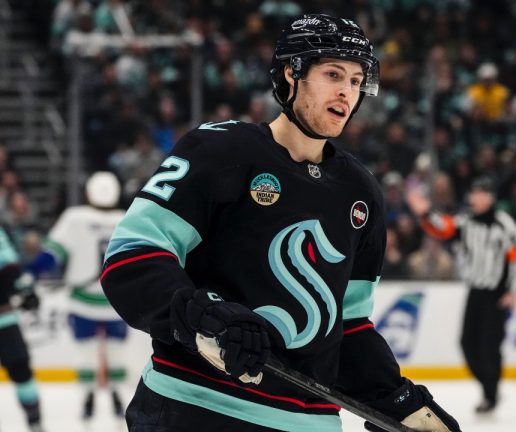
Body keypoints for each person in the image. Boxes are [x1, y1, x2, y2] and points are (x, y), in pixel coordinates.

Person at [100, 14, 461, 432]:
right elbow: (132, 257)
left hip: (309, 424)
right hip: (194, 409)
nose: (347, 91)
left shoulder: (361, 193)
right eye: (333, 74)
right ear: (291, 73)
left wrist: (397, 400)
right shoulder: (220, 150)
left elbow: (348, 327)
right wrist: (204, 317)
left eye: (357, 80)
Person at [407, 175, 516, 415]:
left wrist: (514, 292)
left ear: (491, 198)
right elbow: (444, 228)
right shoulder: (467, 222)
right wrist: (424, 213)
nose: (478, 198)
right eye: (475, 193)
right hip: (475, 291)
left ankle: (490, 394)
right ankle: (488, 387)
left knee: (489, 346)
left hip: (496, 293)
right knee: (467, 343)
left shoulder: (504, 224)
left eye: (483, 193)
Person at [43, 171, 129, 422]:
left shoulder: (75, 217)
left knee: (84, 354)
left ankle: (88, 401)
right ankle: (116, 399)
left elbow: (52, 255)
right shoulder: (125, 218)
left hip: (81, 301)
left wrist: (27, 274)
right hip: (117, 302)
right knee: (117, 355)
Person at [0, 227, 45, 432]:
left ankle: (35, 424)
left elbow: (10, 266)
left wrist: (24, 290)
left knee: (21, 369)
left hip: (4, 319)